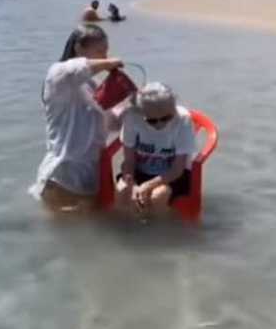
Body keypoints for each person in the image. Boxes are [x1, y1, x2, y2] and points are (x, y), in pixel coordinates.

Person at [29, 24, 124, 211]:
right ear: (79, 48)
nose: (105, 56)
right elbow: (74, 69)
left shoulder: (93, 86)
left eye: (107, 51)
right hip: (61, 179)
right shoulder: (57, 76)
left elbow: (111, 123)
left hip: (89, 180)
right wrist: (110, 63)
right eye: (100, 51)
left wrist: (138, 108)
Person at [116, 82, 197, 216]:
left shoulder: (183, 119)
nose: (160, 124)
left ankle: (160, 234)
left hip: (172, 175)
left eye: (166, 118)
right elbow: (129, 160)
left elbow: (178, 169)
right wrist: (132, 183)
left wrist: (148, 185)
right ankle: (125, 231)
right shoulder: (132, 116)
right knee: (123, 190)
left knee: (157, 197)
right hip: (139, 170)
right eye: (152, 120)